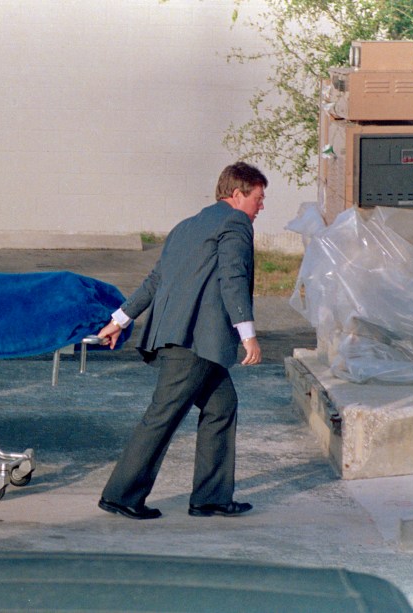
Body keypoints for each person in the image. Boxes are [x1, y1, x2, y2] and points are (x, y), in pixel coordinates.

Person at [95, 161, 266, 519]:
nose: (260, 206)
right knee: (162, 415)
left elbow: (155, 280)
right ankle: (121, 494)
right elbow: (233, 276)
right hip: (196, 342)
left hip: (185, 340)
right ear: (237, 195)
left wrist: (119, 319)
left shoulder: (186, 226)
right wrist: (247, 334)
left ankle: (211, 497)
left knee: (222, 406)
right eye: (258, 198)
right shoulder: (234, 223)